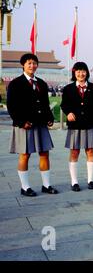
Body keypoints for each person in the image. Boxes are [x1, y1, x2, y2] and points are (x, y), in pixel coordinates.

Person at [7, 53, 58, 196]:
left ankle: (46, 185)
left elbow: (45, 104)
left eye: (34, 63)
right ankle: (25, 187)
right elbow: (11, 105)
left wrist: (49, 118)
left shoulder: (41, 83)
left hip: (40, 123)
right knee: (25, 155)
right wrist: (21, 122)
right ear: (23, 65)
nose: (32, 66)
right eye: (29, 63)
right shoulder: (15, 83)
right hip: (25, 125)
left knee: (44, 153)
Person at [61, 62, 93, 192]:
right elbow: (64, 105)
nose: (81, 74)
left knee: (90, 151)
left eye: (83, 71)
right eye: (78, 71)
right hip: (75, 125)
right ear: (74, 73)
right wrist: (68, 113)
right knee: (74, 152)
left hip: (90, 124)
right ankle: (74, 181)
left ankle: (90, 180)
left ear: (87, 73)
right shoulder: (68, 89)